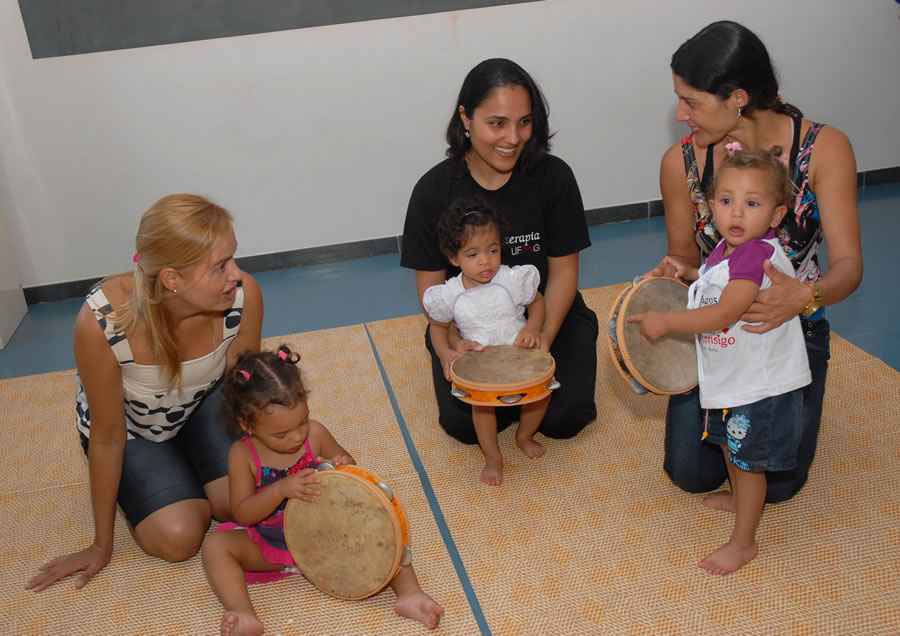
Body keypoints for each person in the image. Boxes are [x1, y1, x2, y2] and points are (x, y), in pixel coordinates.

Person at [653, 21, 863, 503]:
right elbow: (683, 258)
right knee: (690, 473)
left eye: (692, 101)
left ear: (738, 97)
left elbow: (849, 266)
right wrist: (669, 277)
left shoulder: (824, 150)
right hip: (716, 326)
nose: (682, 113)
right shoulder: (679, 164)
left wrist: (802, 296)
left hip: (793, 326)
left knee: (779, 485)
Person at [26, 194, 264, 592]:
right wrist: (101, 545)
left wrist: (290, 457)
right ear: (172, 279)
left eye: (234, 259)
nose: (236, 275)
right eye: (221, 266)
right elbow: (107, 436)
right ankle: (171, 471)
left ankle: (190, 462)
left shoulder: (243, 297)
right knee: (179, 536)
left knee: (238, 502)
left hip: (201, 406)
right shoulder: (101, 322)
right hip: (131, 431)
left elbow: (244, 393)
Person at [401, 58, 598, 448]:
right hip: (470, 326)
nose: (513, 137)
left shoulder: (554, 178)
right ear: (466, 118)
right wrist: (452, 344)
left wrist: (541, 337)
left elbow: (563, 274)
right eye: (497, 123)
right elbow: (431, 292)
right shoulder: (432, 191)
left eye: (524, 122)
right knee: (463, 427)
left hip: (541, 317)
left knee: (564, 418)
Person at [632, 148, 811, 574]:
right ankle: (739, 499)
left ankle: (744, 542)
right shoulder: (727, 253)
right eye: (726, 200)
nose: (736, 212)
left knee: (748, 463)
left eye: (752, 203)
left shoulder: (754, 255)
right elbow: (714, 285)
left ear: (776, 214)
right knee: (734, 451)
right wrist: (688, 273)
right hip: (735, 379)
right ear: (711, 206)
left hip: (759, 387)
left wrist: (667, 321)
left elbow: (725, 312)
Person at [202, 346, 443, 636]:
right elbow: (242, 511)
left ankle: (410, 594)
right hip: (273, 543)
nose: (296, 437)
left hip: (331, 538)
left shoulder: (315, 434)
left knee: (385, 531)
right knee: (216, 547)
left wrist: (340, 465)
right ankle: (244, 614)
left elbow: (350, 468)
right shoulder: (242, 455)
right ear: (246, 425)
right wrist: (280, 490)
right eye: (281, 434)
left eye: (302, 422)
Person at [423, 198, 548, 485]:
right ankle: (493, 458)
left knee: (541, 396)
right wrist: (448, 352)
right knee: (482, 409)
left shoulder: (512, 279)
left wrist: (532, 327)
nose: (486, 260)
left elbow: (538, 303)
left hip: (519, 356)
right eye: (473, 254)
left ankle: (524, 435)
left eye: (493, 250)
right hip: (481, 364)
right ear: (454, 258)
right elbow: (438, 328)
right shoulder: (450, 294)